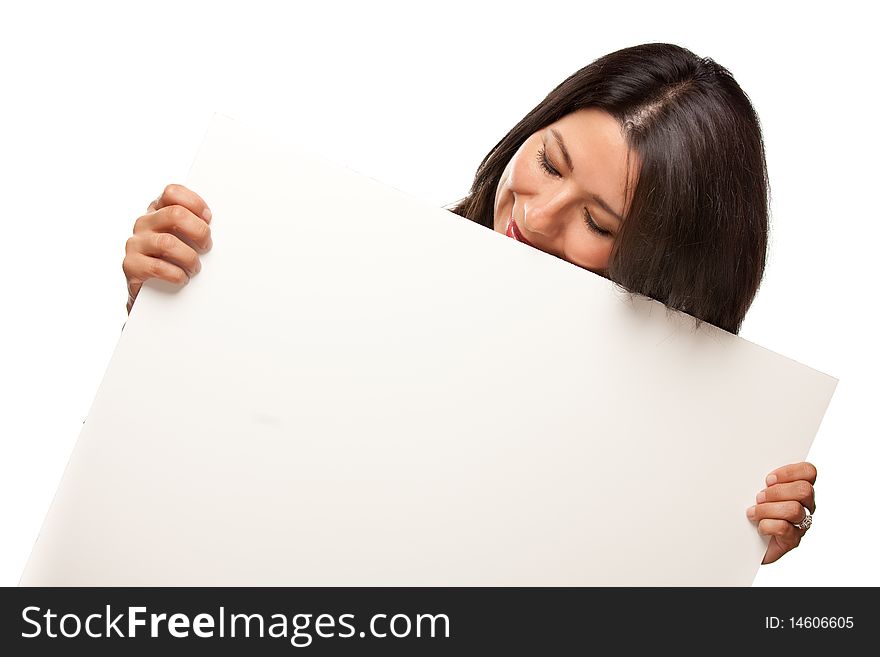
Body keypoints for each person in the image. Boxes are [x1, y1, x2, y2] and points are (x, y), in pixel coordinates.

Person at [121, 43, 817, 566]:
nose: (538, 215)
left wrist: (724, 537)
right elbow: (241, 455)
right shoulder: (359, 271)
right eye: (548, 161)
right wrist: (166, 311)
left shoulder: (666, 439)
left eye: (599, 224)